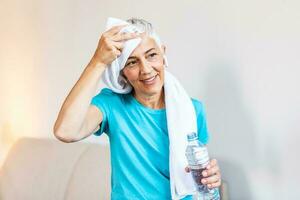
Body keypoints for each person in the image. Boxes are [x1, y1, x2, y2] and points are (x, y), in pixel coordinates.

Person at [53, 18, 221, 200]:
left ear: (163, 54)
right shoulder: (112, 105)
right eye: (132, 62)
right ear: (122, 72)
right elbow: (65, 131)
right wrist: (98, 62)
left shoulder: (191, 109)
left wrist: (210, 177)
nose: (146, 69)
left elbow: (197, 170)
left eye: (151, 55)